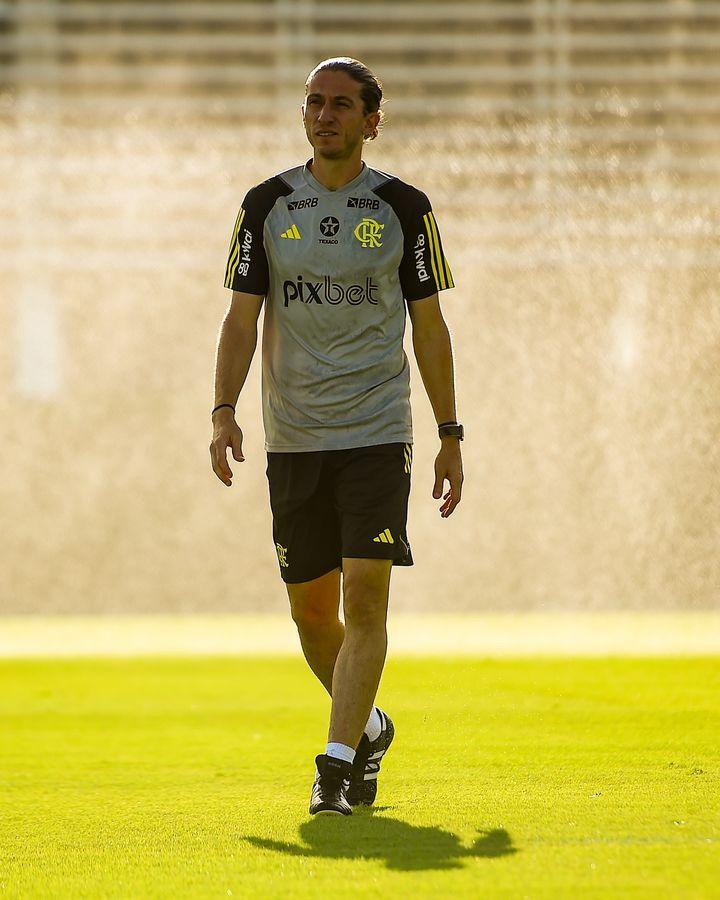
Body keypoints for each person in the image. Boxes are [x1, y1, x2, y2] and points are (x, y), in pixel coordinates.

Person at [210, 57, 463, 816]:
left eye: (342, 104)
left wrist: (451, 433)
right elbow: (240, 318)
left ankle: (336, 766)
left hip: (377, 433)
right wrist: (222, 410)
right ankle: (372, 726)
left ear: (372, 120)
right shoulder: (264, 205)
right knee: (312, 616)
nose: (325, 115)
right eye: (315, 103)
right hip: (293, 439)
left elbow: (429, 326)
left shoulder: (404, 208)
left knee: (365, 601)